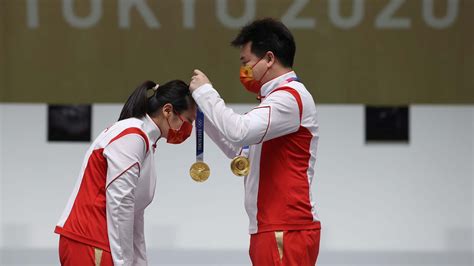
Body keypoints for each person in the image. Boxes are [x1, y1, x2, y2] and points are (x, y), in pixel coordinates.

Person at [189, 18, 321, 265]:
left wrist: (205, 92)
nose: (244, 70)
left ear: (269, 59)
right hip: (270, 227)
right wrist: (198, 114)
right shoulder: (272, 102)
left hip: (286, 227)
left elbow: (239, 131)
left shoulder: (290, 98)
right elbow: (237, 147)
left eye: (246, 62)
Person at [54, 80, 196, 266]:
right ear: (167, 111)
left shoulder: (144, 140)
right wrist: (124, 263)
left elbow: (134, 213)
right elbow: (120, 203)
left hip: (100, 243)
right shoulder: (132, 135)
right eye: (189, 121)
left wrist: (139, 262)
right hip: (91, 240)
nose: (189, 129)